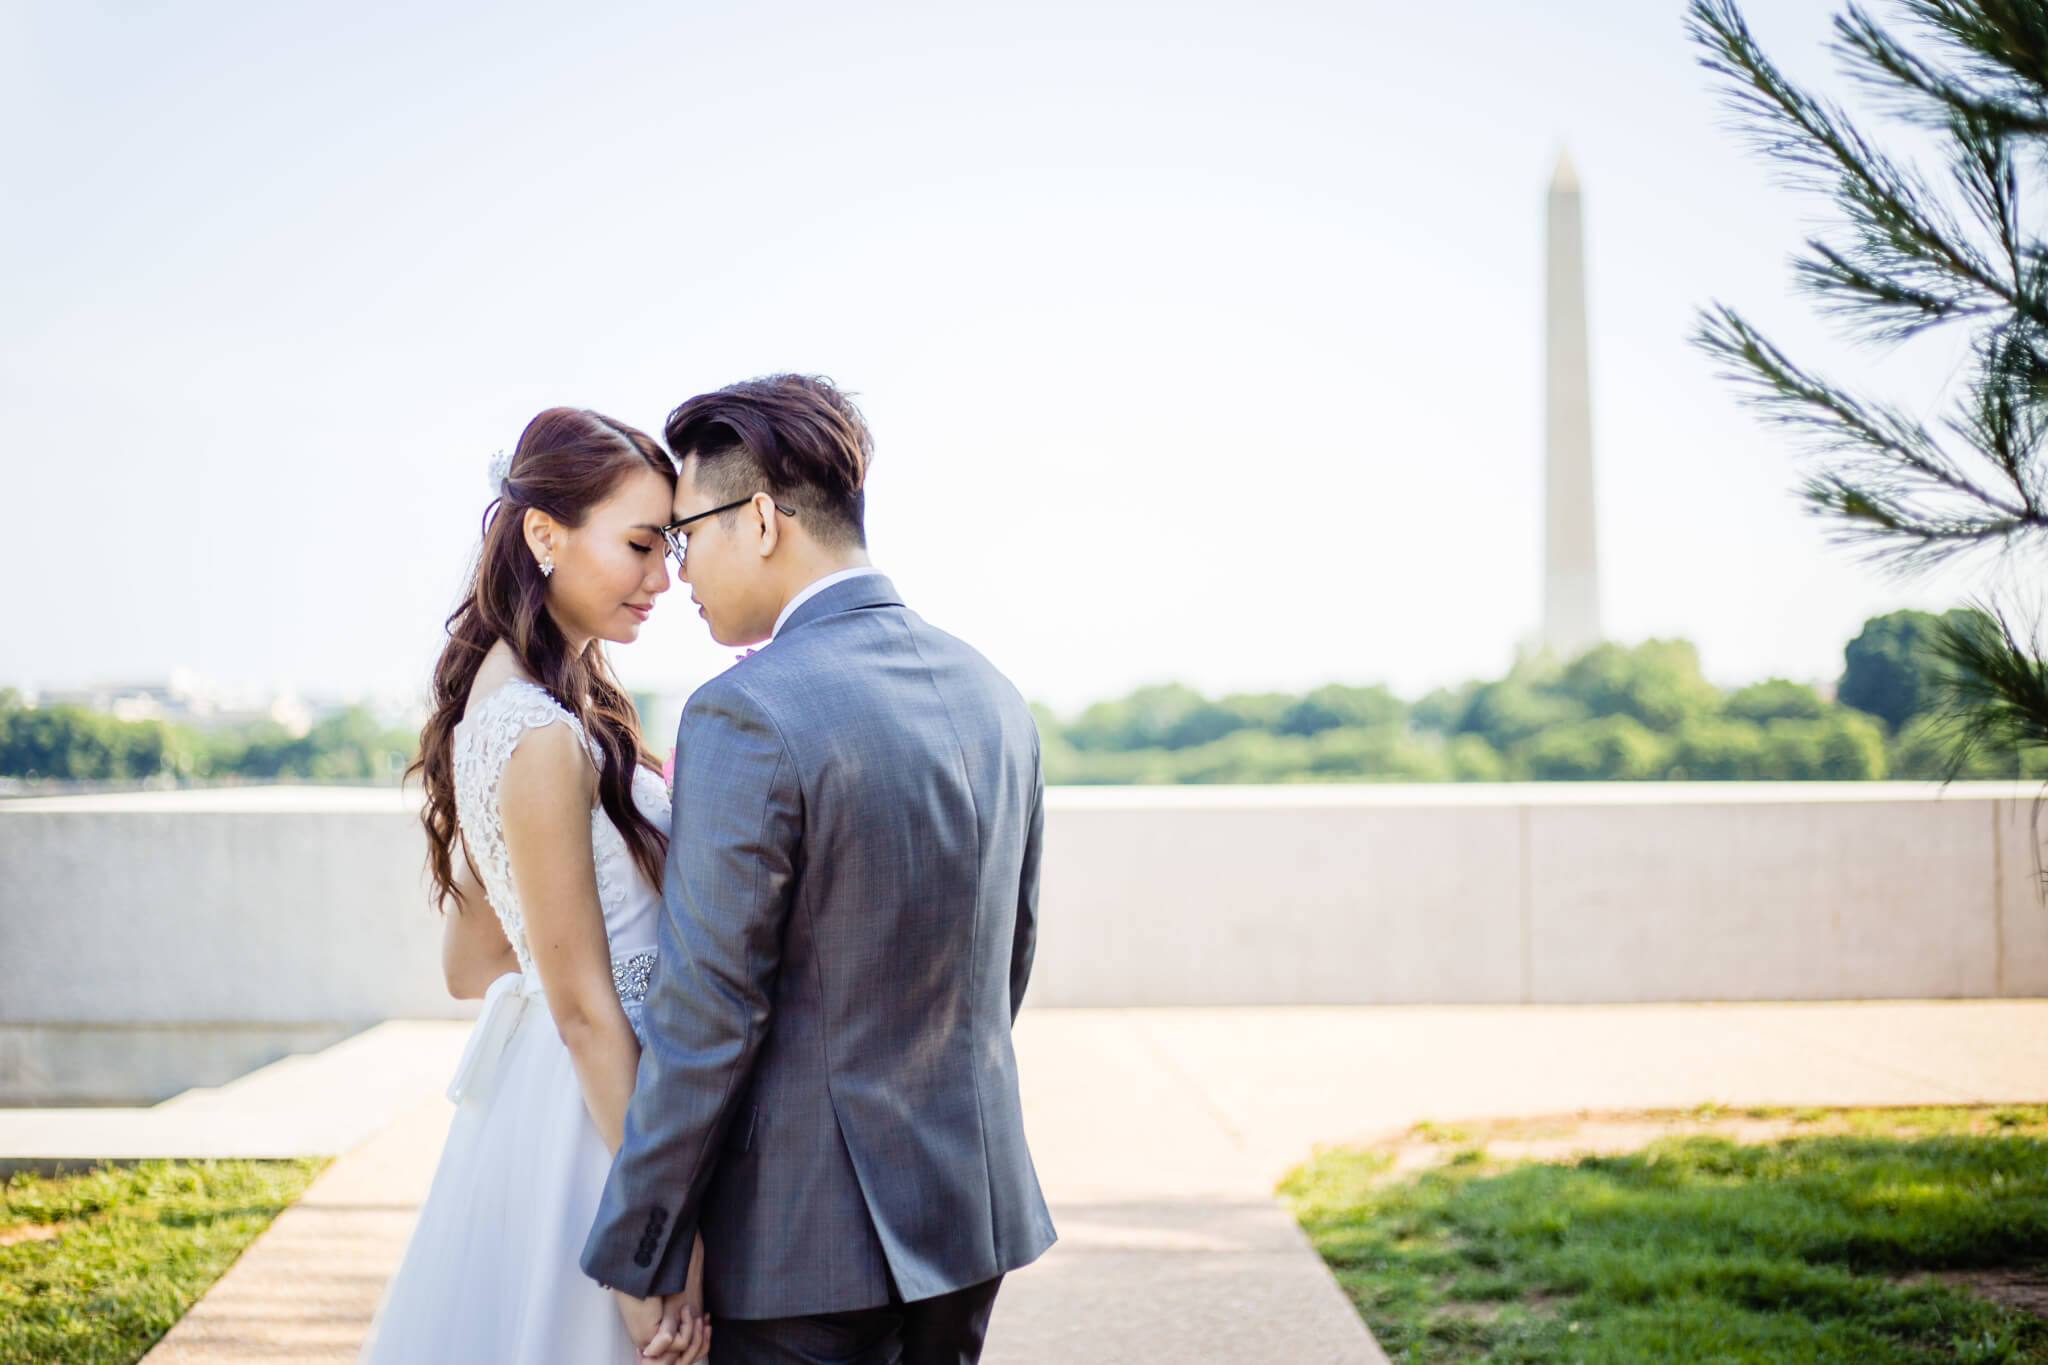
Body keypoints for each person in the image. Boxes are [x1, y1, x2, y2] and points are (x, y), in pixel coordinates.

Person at [582, 374, 1056, 1365]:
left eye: (686, 534)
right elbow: (1002, 959)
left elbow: (706, 1012)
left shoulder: (742, 712)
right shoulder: (991, 691)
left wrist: (641, 1253)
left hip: (803, 1244)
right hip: (968, 1211)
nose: (679, 572)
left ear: (757, 519)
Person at [361, 408, 710, 1365]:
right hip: (598, 1125)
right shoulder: (546, 735)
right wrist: (650, 1251)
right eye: (640, 545)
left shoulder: (509, 707)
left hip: (552, 1102)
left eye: (672, 547)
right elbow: (585, 1010)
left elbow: (471, 960)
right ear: (544, 533)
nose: (663, 578)